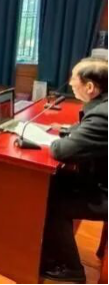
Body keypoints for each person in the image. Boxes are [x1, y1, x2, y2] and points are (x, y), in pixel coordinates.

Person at [41, 58, 108, 283]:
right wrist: (69, 131)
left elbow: (62, 151)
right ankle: (49, 247)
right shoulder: (102, 106)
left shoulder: (103, 115)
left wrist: (53, 140)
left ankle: (71, 269)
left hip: (105, 191)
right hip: (101, 178)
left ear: (89, 87)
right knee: (55, 183)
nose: (70, 82)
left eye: (74, 78)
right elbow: (85, 129)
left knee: (52, 202)